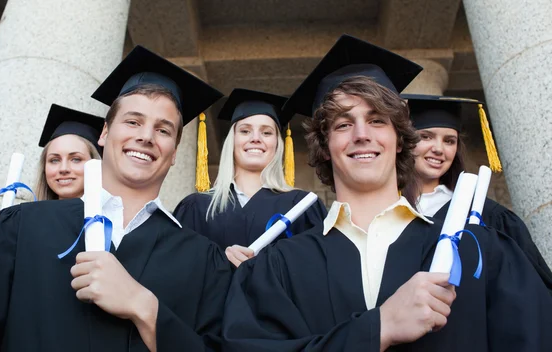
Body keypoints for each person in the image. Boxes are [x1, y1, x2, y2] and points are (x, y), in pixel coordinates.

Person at [221, 35, 552, 351]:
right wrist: (379, 328)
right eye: (343, 124)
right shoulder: (275, 270)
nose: (362, 134)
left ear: (400, 138)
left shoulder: (479, 253)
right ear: (325, 146)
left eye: (378, 120)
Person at [0, 45, 231, 351]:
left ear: (175, 153)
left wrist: (145, 308)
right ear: (103, 133)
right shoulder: (20, 228)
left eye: (163, 130)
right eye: (133, 122)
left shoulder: (205, 261)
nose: (146, 137)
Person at [403, 93, 552, 293]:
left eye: (449, 141)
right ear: (405, 143)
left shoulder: (486, 214)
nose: (439, 149)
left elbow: (526, 289)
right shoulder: (385, 206)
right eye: (426, 137)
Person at [173, 88, 327, 267]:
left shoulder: (302, 206)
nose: (255, 138)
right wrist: (218, 262)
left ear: (277, 144)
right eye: (245, 131)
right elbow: (179, 270)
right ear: (232, 141)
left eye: (267, 132)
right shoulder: (196, 207)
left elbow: (317, 272)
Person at [35, 104, 104, 200]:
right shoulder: (27, 214)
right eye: (54, 160)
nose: (63, 169)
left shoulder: (115, 214)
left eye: (76, 159)